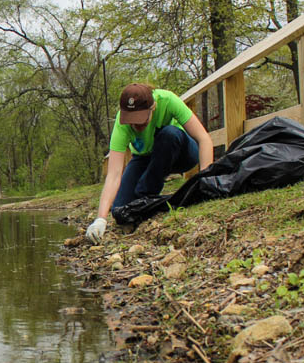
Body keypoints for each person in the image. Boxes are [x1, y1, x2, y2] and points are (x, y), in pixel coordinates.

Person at [85, 82, 213, 244]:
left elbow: (204, 139)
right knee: (121, 210)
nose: (136, 126)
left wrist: (205, 180)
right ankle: (150, 202)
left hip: (181, 151)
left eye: (141, 121)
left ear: (153, 108)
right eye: (131, 121)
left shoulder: (168, 100)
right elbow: (114, 174)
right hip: (145, 158)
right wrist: (100, 219)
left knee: (168, 134)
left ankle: (146, 194)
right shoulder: (121, 123)